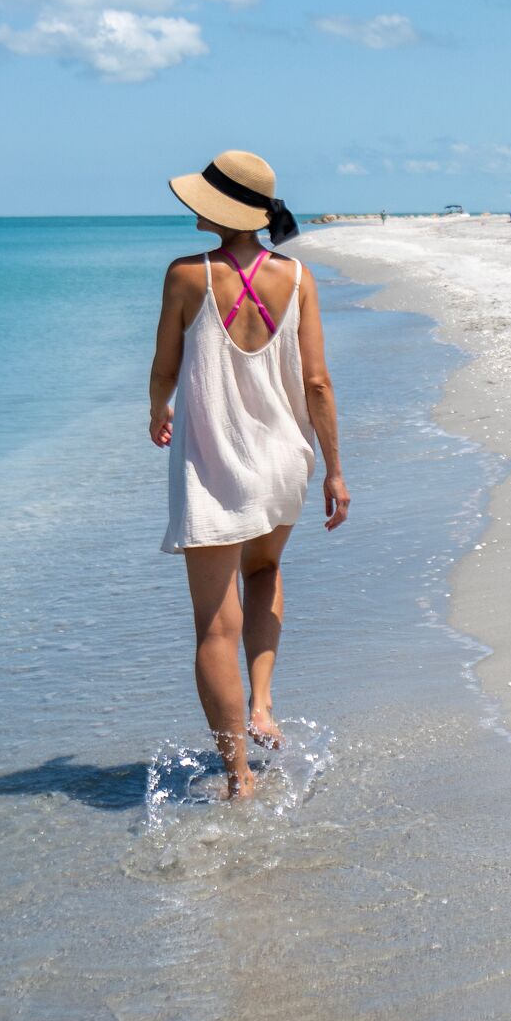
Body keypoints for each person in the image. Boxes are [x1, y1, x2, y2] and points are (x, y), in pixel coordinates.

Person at [149, 151, 349, 799]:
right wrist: (335, 471)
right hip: (284, 463)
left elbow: (164, 366)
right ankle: (262, 702)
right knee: (263, 570)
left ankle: (238, 777)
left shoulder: (187, 275)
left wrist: (159, 407)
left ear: (221, 209)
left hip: (217, 469)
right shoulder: (298, 277)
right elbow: (317, 381)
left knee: (214, 623)